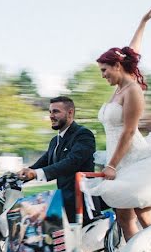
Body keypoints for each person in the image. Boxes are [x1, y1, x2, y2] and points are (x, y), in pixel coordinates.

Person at [83, 3, 151, 241]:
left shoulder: (132, 90)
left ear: (117, 66)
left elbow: (129, 132)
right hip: (117, 158)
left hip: (131, 157)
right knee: (123, 218)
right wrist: (143, 23)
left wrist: (111, 166)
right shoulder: (121, 86)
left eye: (104, 70)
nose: (103, 75)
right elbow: (132, 51)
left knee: (143, 210)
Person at [17, 96, 96, 225]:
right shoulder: (55, 141)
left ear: (70, 113)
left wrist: (36, 173)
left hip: (78, 201)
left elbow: (71, 163)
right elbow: (41, 164)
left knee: (32, 220)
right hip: (62, 200)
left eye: (56, 111)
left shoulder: (83, 135)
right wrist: (19, 175)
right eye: (50, 112)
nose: (51, 116)